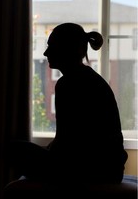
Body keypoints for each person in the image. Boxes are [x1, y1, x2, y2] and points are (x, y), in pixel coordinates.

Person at [9, 23, 128, 184]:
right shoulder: (90, 78)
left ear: (66, 49)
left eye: (51, 47)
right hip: (110, 170)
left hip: (92, 171)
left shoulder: (68, 83)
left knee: (14, 149)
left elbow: (65, 142)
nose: (45, 53)